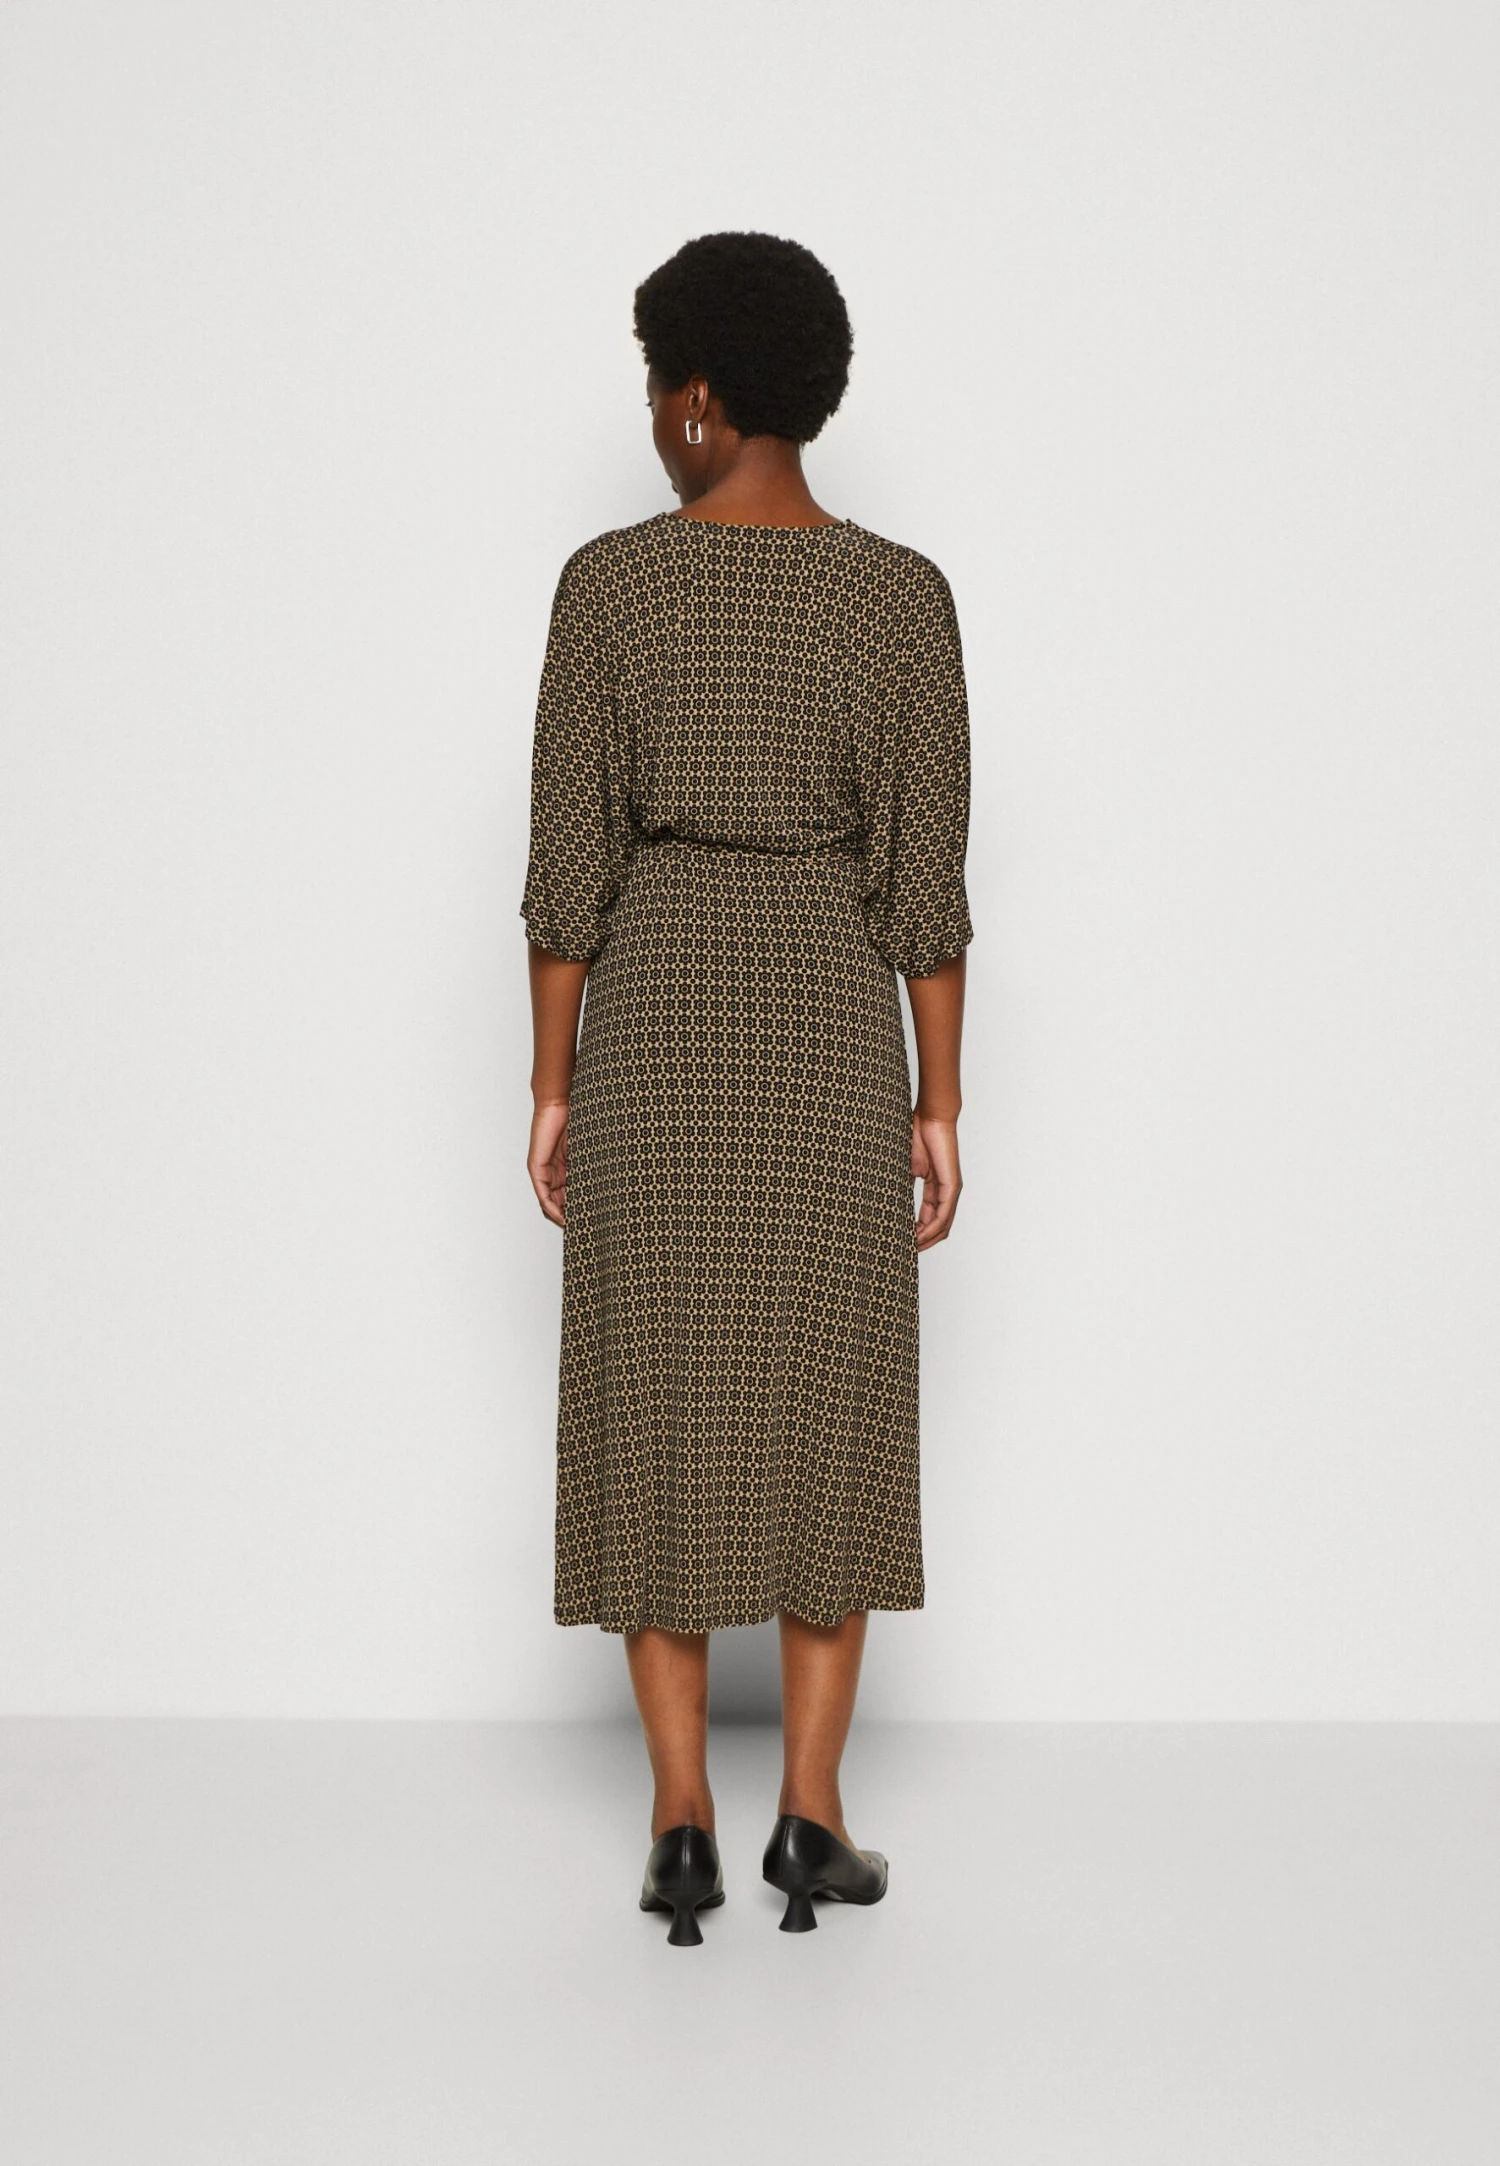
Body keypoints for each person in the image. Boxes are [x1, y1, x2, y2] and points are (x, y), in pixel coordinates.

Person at [521, 231, 972, 1945]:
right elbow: (926, 889)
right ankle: (812, 1816)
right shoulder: (902, 597)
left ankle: (680, 1826)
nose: (652, 420)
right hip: (830, 1033)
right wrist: (938, 1104)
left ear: (700, 398)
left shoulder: (607, 589)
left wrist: (552, 1083)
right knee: (826, 1406)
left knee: (658, 1403)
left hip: (652, 1025)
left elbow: (565, 875)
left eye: (657, 388)